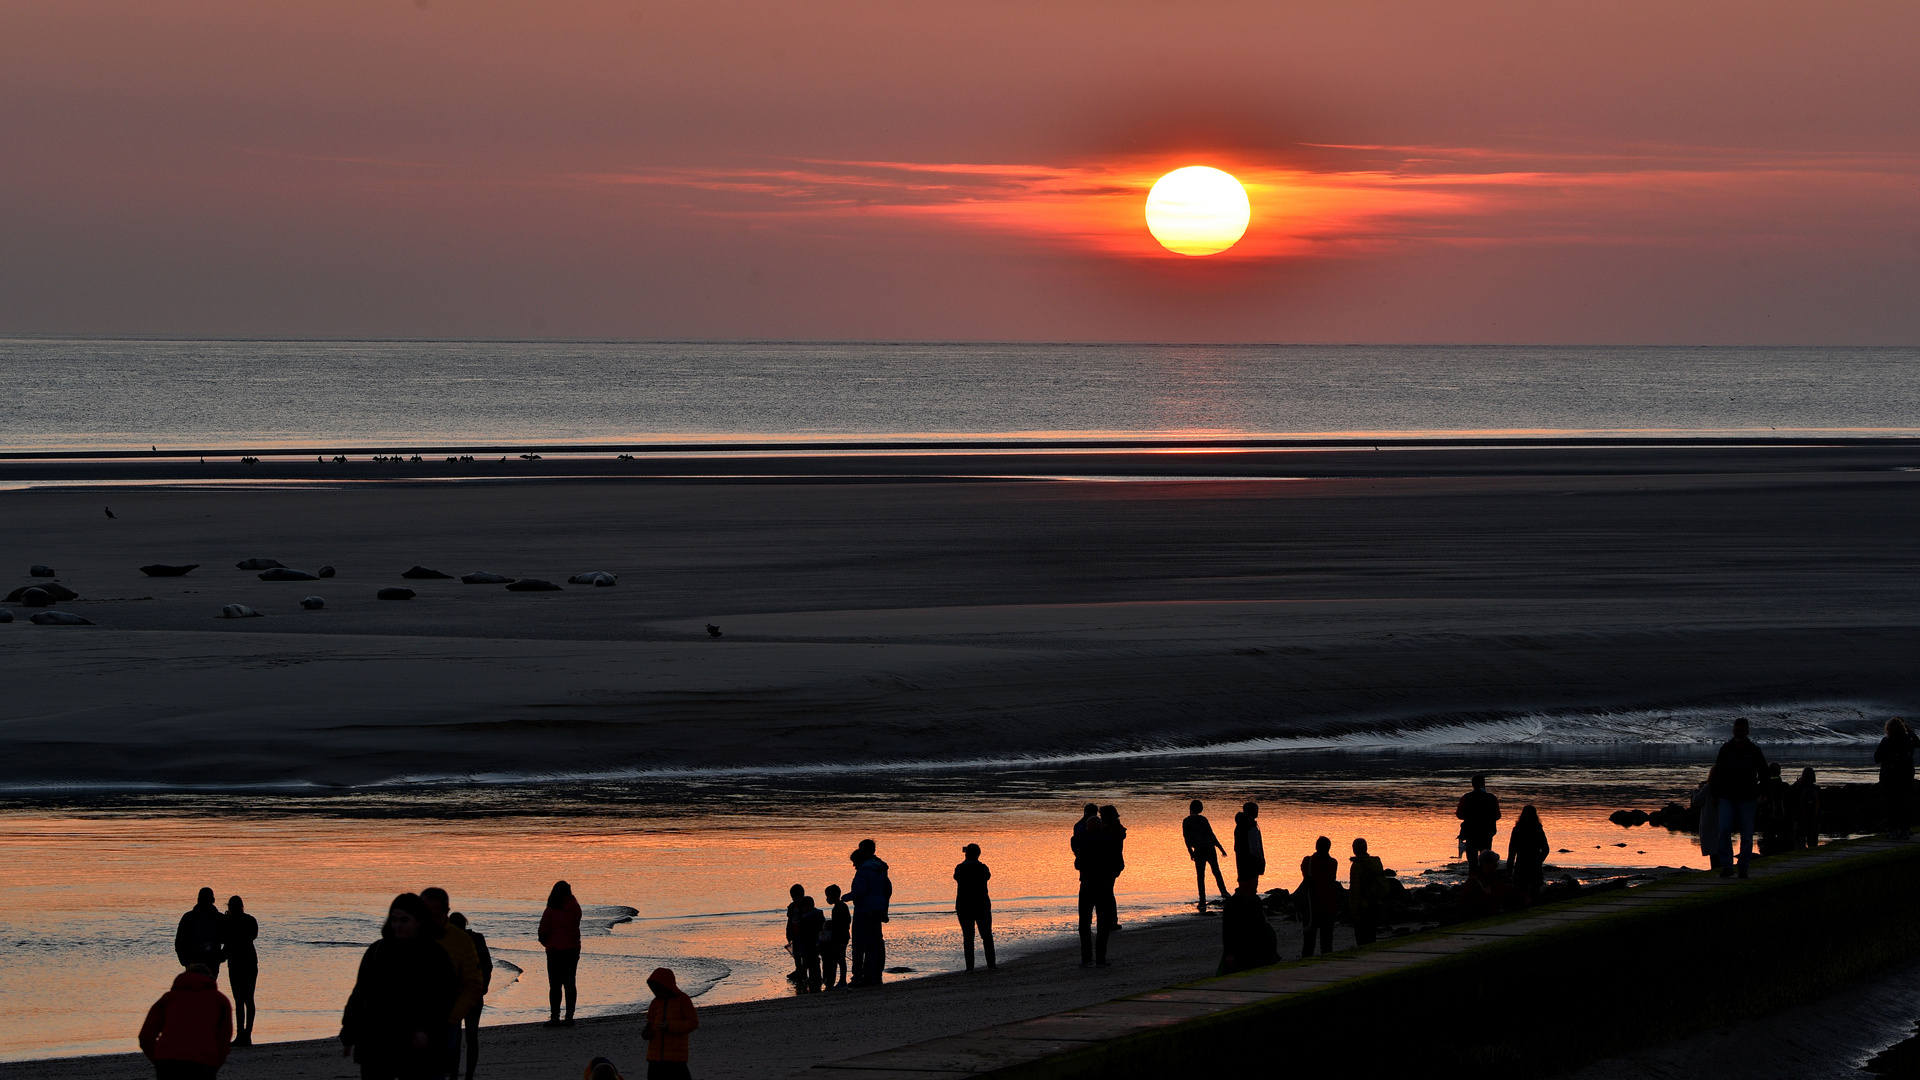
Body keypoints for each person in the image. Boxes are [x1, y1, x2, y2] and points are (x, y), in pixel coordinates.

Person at [340, 893, 458, 1080]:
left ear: (419, 921)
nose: (398, 925)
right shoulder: (377, 951)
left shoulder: (434, 955)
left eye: (404, 920)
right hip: (376, 1042)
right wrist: (349, 1033)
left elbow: (444, 1000)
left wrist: (428, 1032)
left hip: (416, 1044)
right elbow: (360, 993)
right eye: (394, 919)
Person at [419, 888, 485, 1079]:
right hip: (433, 1014)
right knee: (468, 1039)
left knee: (461, 1041)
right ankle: (462, 1076)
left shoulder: (463, 941)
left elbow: (477, 978)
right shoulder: (418, 938)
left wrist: (452, 1016)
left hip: (456, 1008)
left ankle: (461, 1075)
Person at [140, 964, 233, 1080]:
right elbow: (223, 1041)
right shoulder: (221, 1001)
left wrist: (158, 1059)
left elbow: (145, 1037)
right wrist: (214, 1065)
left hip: (167, 1061)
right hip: (202, 1063)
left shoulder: (168, 998)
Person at [1713, 718, 1769, 877]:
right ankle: (1727, 866)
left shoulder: (1754, 750)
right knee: (1724, 830)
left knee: (1746, 834)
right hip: (1726, 796)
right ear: (1733, 731)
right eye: (1736, 731)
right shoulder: (1726, 749)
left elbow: (1764, 772)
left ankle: (1743, 868)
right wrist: (1714, 794)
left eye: (1741, 731)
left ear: (1747, 732)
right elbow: (1717, 773)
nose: (1738, 734)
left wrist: (1762, 792)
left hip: (1747, 798)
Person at [1078, 806, 1127, 967]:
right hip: (1104, 886)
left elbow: (1078, 864)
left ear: (1089, 828)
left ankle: (1086, 958)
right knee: (1103, 924)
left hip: (1087, 886)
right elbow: (1119, 864)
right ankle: (1100, 958)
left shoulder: (1084, 842)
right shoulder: (1111, 841)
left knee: (1084, 923)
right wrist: (1111, 874)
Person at [447, 912, 490, 1080]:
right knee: (472, 1037)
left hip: (457, 998)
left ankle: (454, 1076)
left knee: (456, 1038)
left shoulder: (450, 942)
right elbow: (487, 966)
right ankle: (469, 1076)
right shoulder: (477, 939)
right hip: (473, 996)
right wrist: (483, 988)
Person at [847, 840, 892, 986]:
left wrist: (846, 897)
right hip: (877, 909)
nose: (853, 866)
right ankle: (872, 976)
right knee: (873, 944)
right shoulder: (880, 869)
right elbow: (887, 889)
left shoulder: (863, 871)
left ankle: (858, 977)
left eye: (854, 863)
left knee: (859, 945)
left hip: (864, 910)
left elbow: (860, 891)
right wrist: (884, 908)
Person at [641, 967, 698, 1080]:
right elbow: (650, 1023)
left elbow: (693, 1022)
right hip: (655, 1058)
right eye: (654, 987)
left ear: (666, 985)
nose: (656, 990)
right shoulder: (655, 1002)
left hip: (676, 1059)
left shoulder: (683, 999)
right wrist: (647, 1033)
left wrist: (670, 1026)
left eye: (659, 986)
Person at [539, 880, 583, 1026]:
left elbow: (543, 930)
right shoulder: (575, 907)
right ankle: (569, 1016)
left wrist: (546, 943)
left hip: (555, 951)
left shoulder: (551, 909)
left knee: (555, 985)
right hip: (572, 949)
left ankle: (555, 1017)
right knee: (570, 982)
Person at [1182, 800, 1230, 914]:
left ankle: (1202, 901)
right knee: (1216, 870)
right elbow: (1211, 834)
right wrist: (1220, 848)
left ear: (1190, 808)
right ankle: (1223, 892)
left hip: (1198, 850)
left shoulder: (1186, 822)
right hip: (1209, 848)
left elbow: (1187, 838)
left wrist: (1190, 852)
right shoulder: (1203, 820)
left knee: (1200, 876)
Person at [222, 896, 258, 1048]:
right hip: (249, 961)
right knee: (248, 999)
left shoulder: (229, 923)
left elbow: (225, 940)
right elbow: (253, 936)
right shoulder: (250, 921)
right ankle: (246, 1035)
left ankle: (241, 1034)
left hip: (236, 963)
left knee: (239, 1000)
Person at [1217, 885, 1277, 975]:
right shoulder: (1233, 904)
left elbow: (1263, 927)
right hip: (1242, 953)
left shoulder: (1255, 901)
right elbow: (1227, 932)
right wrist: (1229, 953)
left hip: (1256, 952)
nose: (1256, 884)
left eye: (1256, 882)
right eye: (1253, 882)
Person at [954, 843, 996, 972]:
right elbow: (987, 877)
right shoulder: (983, 868)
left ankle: (970, 967)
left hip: (964, 905)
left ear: (967, 854)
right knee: (986, 935)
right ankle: (991, 965)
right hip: (981, 904)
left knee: (968, 937)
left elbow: (957, 878)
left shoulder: (960, 868)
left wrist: (966, 860)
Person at [1875, 717, 1917, 840]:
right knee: (1904, 804)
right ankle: (1904, 831)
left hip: (1889, 777)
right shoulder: (1907, 740)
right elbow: (1915, 745)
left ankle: (1892, 831)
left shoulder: (1885, 741)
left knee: (1891, 805)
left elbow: (1877, 758)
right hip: (1904, 777)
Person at [1298, 836, 1341, 958]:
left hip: (1312, 906)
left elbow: (1305, 874)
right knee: (1327, 943)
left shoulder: (1308, 861)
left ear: (1316, 847)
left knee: (1309, 943)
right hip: (1329, 907)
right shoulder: (1333, 863)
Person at [175, 889, 227, 979]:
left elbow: (179, 942)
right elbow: (229, 940)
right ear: (213, 900)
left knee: (195, 990)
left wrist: (185, 961)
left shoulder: (188, 917)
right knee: (208, 990)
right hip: (207, 961)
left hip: (201, 961)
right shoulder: (220, 918)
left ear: (198, 899)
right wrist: (221, 957)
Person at [1455, 776, 1502, 871]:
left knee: (1472, 861)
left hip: (1471, 833)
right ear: (1484, 784)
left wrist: (1470, 817)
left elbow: (1459, 815)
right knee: (1486, 858)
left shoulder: (1466, 797)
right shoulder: (1492, 798)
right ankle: (1484, 879)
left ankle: (1474, 879)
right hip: (1487, 832)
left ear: (1472, 785)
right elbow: (1497, 816)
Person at [1506, 805, 1550, 904]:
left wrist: (1509, 869)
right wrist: (1539, 861)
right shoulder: (1538, 829)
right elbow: (1546, 849)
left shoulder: (1517, 829)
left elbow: (1512, 851)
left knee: (1521, 891)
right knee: (1535, 892)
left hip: (1521, 863)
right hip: (1534, 864)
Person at [1348, 838, 1387, 946]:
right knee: (1371, 937)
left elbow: (1355, 890)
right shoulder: (1375, 863)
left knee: (1362, 940)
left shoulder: (1357, 866)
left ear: (1354, 850)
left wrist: (1354, 913)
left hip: (1363, 907)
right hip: (1375, 904)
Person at [1458, 851, 1510, 920]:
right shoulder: (1474, 880)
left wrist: (1523, 898)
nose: (1497, 866)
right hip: (1479, 917)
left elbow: (1506, 890)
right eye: (1494, 864)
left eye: (1497, 864)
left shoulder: (1492, 878)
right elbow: (1463, 905)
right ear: (1485, 864)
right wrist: (1482, 894)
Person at [1758, 763, 1795, 855]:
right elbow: (1791, 802)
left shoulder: (1763, 786)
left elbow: (1759, 802)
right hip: (1784, 820)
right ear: (1780, 772)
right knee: (1785, 845)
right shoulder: (1785, 786)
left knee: (1768, 845)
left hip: (1768, 820)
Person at [792, 895, 825, 991]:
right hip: (817, 942)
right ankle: (816, 978)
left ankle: (814, 979)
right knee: (814, 961)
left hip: (809, 943)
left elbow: (804, 932)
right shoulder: (819, 914)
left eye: (802, 907)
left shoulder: (807, 918)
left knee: (810, 961)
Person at [1695, 768, 1725, 870]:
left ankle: (1716, 868)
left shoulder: (1708, 788)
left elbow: (1696, 801)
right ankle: (1723, 867)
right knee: (1721, 846)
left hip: (1709, 821)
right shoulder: (1725, 787)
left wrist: (1698, 790)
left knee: (1713, 849)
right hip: (1722, 820)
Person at [821, 884, 851, 989]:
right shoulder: (842, 906)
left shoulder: (838, 908)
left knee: (840, 959)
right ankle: (841, 980)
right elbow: (848, 921)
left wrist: (833, 939)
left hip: (840, 937)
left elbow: (838, 926)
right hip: (844, 936)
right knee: (840, 958)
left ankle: (842, 981)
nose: (827, 899)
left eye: (828, 896)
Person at [1233, 802, 1265, 894]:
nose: (1257, 812)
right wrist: (1260, 862)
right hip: (1251, 865)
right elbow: (1254, 849)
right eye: (1256, 810)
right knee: (1251, 890)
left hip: (1241, 863)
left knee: (1244, 888)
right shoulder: (1252, 828)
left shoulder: (1239, 826)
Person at [1792, 767, 1823, 849]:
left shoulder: (1797, 787)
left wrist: (1797, 782)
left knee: (1799, 842)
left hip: (1800, 819)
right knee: (1813, 843)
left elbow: (1790, 797)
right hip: (1814, 820)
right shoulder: (1817, 789)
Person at [783, 883, 807, 983]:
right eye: (792, 896)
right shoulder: (791, 907)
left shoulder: (805, 905)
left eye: (795, 896)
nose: (794, 898)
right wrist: (788, 934)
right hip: (795, 933)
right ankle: (798, 970)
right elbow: (789, 921)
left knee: (804, 954)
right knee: (796, 954)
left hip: (803, 934)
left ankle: (804, 971)